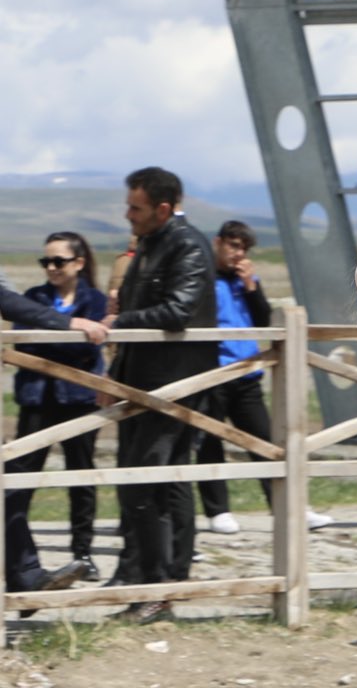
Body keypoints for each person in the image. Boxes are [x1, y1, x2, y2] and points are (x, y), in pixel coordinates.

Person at [108, 168, 217, 622]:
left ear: (163, 208)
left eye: (135, 207)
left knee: (146, 484)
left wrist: (118, 322)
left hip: (174, 385)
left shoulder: (186, 245)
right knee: (161, 484)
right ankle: (154, 584)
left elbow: (178, 311)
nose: (128, 215)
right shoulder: (151, 244)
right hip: (143, 383)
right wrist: (114, 377)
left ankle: (158, 589)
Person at [193, 220, 334, 538]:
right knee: (209, 444)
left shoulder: (247, 280)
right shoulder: (203, 277)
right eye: (233, 246)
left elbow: (264, 320)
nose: (238, 254)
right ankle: (218, 511)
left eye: (243, 249)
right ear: (218, 243)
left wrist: (252, 288)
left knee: (268, 443)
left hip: (247, 372)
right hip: (213, 372)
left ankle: (289, 507)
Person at [3, 234, 111, 593]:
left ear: (78, 263)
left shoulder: (94, 299)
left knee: (80, 475)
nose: (51, 267)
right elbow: (23, 336)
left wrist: (51, 333)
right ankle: (23, 567)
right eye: (45, 261)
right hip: (37, 399)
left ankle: (80, 553)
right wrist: (67, 327)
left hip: (77, 399)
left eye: (58, 261)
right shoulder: (34, 296)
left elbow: (86, 350)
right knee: (18, 478)